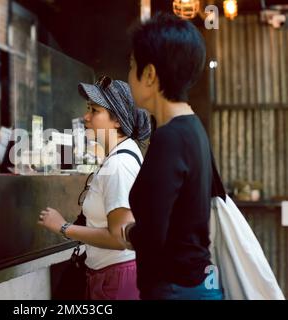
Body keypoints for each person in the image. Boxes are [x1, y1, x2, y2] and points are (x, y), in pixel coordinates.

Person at [123, 13, 224, 300]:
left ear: (150, 74)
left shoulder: (169, 138)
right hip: (196, 284)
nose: (129, 76)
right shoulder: (193, 128)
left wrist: (127, 231)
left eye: (132, 66)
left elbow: (153, 236)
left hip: (175, 289)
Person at [38, 76, 151, 300]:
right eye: (88, 108)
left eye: (94, 110)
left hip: (117, 280)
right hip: (110, 276)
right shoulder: (117, 156)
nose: (85, 117)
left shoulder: (120, 164)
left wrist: (63, 227)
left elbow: (120, 238)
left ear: (117, 120)